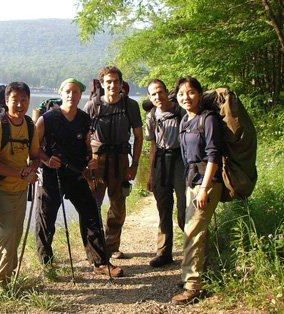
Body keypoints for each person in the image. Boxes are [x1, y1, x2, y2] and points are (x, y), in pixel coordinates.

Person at [35, 78, 123, 277]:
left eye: (75, 92)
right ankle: (46, 263)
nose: (71, 95)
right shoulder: (46, 119)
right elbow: (35, 149)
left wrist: (91, 162)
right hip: (52, 175)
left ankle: (99, 261)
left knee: (92, 213)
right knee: (45, 218)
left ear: (80, 95)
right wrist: (47, 160)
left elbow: (87, 145)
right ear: (61, 93)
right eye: (67, 91)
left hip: (77, 174)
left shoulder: (84, 119)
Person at [171, 77, 223, 305]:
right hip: (192, 181)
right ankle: (193, 275)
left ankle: (193, 287)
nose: (186, 97)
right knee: (193, 229)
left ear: (199, 94)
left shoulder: (208, 119)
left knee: (192, 231)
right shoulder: (185, 120)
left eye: (190, 92)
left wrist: (204, 189)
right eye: (181, 93)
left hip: (207, 182)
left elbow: (213, 155)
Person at [0, 82, 40, 288]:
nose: (19, 104)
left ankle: (8, 277)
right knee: (5, 235)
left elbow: (35, 156)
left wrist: (32, 169)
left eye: (23, 99)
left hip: (20, 190)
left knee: (15, 235)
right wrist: (20, 173)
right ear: (6, 101)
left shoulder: (29, 124)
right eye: (14, 99)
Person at [84, 66, 143, 259]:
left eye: (116, 81)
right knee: (93, 205)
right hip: (96, 160)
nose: (112, 85)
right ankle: (94, 248)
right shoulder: (92, 106)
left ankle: (111, 246)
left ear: (121, 83)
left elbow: (138, 137)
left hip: (120, 160)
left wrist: (134, 165)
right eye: (108, 81)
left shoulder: (130, 105)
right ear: (102, 83)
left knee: (118, 204)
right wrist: (85, 162)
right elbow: (84, 138)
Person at [145, 79, 186, 267]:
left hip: (180, 160)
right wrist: (151, 174)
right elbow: (153, 146)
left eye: (160, 92)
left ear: (166, 92)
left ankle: (193, 252)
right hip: (160, 161)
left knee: (184, 209)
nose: (157, 96)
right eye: (153, 94)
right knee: (163, 208)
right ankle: (164, 253)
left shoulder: (180, 110)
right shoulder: (152, 115)